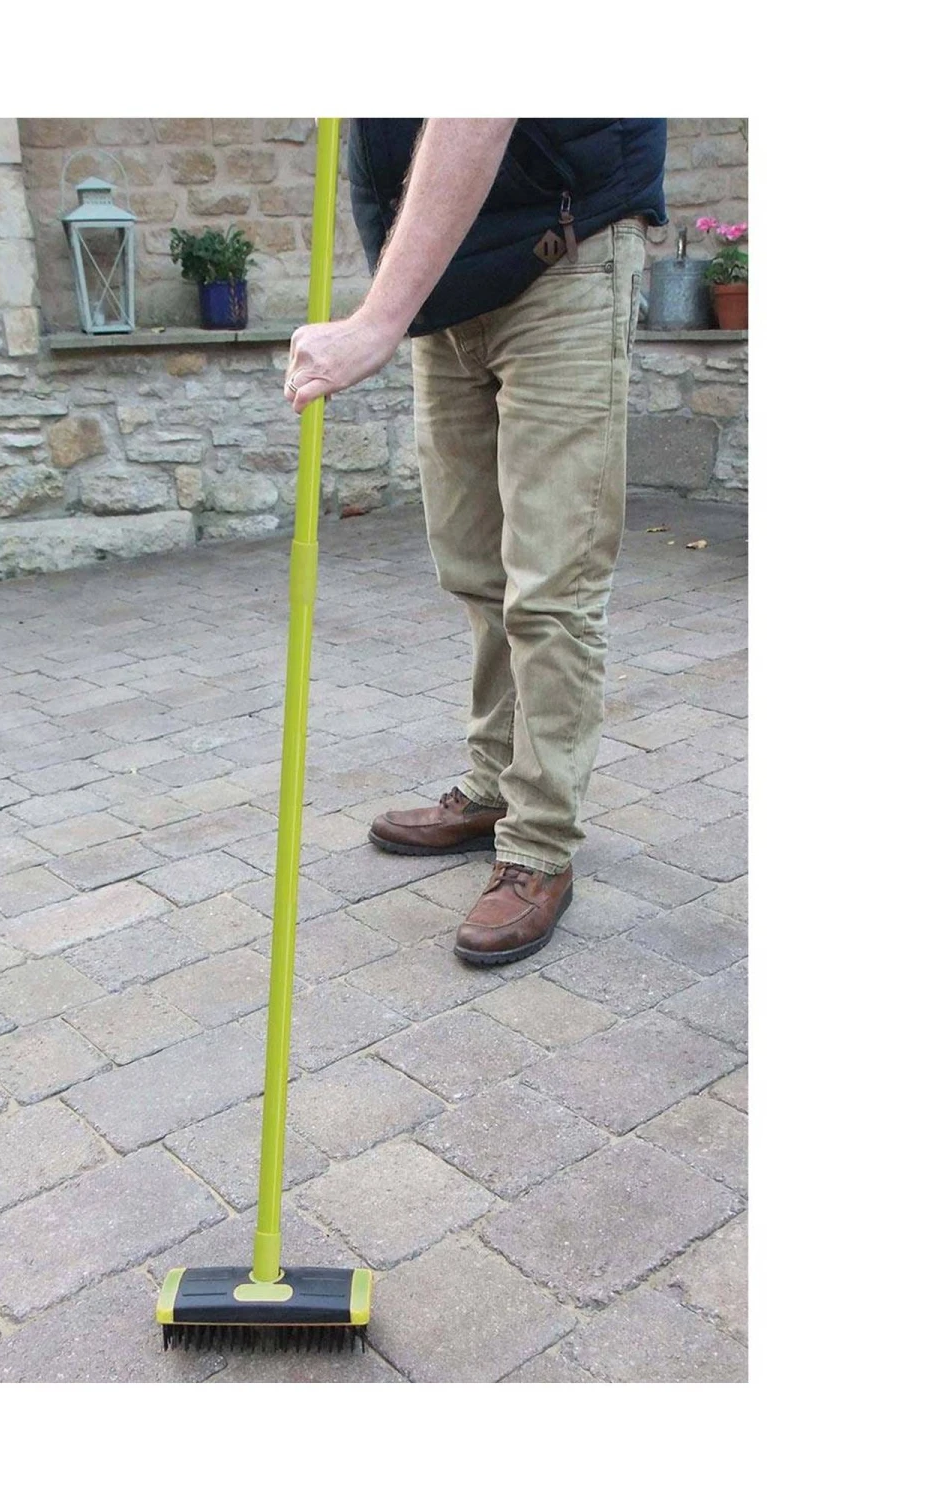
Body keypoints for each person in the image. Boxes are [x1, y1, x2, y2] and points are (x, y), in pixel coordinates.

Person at [284, 118, 668, 965]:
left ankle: (540, 844)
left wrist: (376, 320)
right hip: (447, 285)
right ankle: (494, 784)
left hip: (563, 255)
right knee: (475, 569)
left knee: (551, 588)